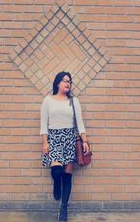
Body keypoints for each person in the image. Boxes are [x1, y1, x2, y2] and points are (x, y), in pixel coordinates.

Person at [40, 71, 90, 221]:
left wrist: (85, 140)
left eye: (69, 81)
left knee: (67, 175)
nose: (68, 83)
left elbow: (80, 123)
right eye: (64, 80)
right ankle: (56, 183)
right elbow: (43, 124)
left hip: (69, 138)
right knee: (56, 171)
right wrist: (45, 143)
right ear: (57, 83)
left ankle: (63, 210)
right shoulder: (48, 100)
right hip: (54, 138)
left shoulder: (74, 101)